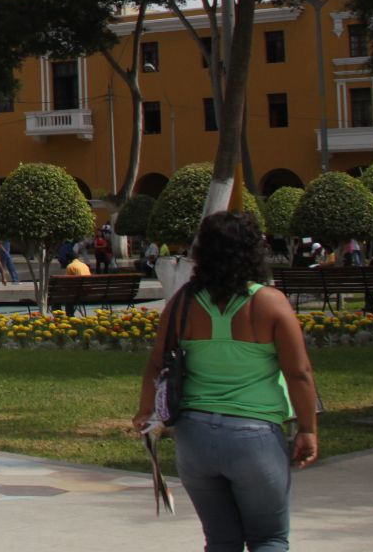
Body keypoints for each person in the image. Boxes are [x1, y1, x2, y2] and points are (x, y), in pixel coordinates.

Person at [134, 211, 318, 552]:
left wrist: (145, 410)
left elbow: (157, 363)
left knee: (221, 541)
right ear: (253, 251)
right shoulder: (270, 304)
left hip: (195, 438)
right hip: (256, 436)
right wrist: (307, 428)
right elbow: (299, 373)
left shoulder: (182, 303)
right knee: (269, 539)